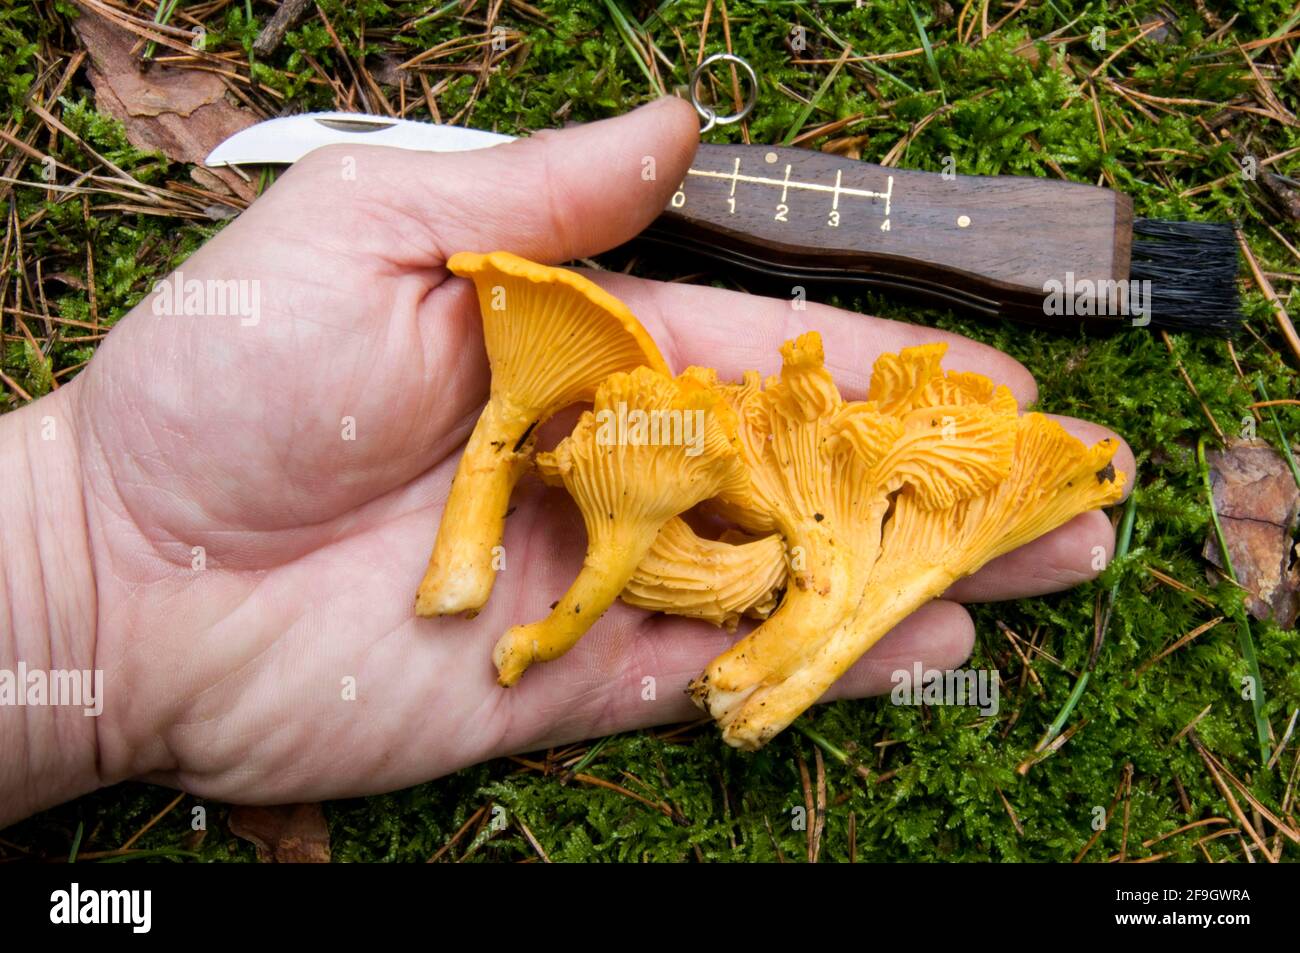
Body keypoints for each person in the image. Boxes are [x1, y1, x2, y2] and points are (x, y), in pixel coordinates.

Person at [0, 98, 1132, 828]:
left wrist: (81, 581)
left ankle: (780, 640)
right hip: (618, 478)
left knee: (832, 577)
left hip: (743, 527)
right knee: (779, 563)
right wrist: (87, 547)